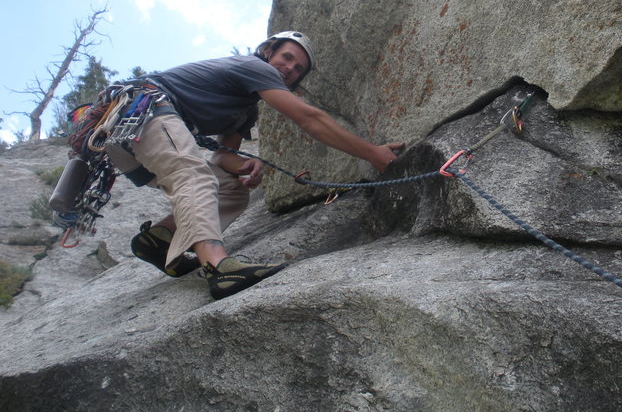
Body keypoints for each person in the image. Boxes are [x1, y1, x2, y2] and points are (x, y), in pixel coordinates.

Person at [111, 31, 404, 300]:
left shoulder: (245, 110)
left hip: (127, 137)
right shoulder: (255, 67)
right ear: (268, 52)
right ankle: (218, 265)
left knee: (232, 187)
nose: (290, 68)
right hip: (141, 107)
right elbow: (310, 119)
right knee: (193, 175)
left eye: (298, 69)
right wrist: (372, 153)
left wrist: (244, 165)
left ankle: (159, 239)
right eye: (287, 57)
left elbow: (223, 159)